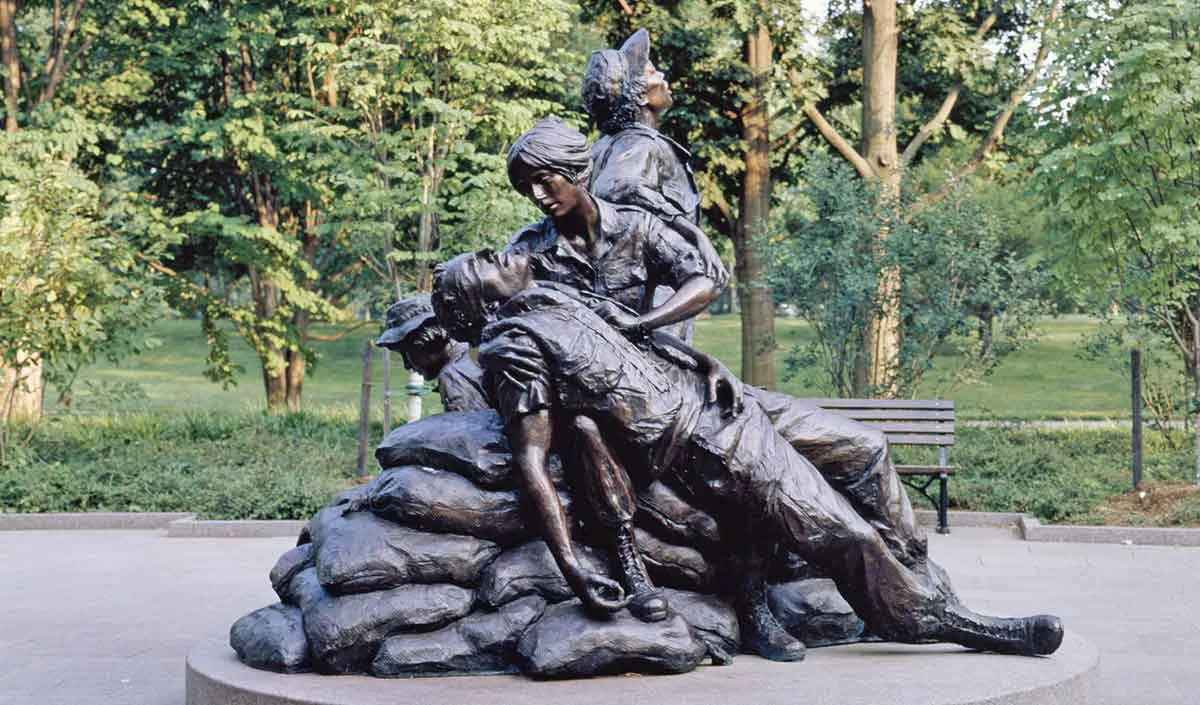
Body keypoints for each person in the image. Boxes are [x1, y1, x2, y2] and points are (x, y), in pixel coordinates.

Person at [431, 248, 1065, 658]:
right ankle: (953, 624)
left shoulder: (556, 294)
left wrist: (707, 360)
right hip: (708, 444)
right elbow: (533, 464)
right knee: (843, 535)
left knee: (866, 450)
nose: (500, 250)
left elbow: (641, 340)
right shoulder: (512, 350)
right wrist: (573, 568)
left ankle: (903, 585)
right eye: (482, 261)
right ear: (482, 301)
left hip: (729, 399)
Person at [375, 294, 488, 413]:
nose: (406, 365)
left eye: (406, 353)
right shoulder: (473, 357)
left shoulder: (453, 376)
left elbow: (472, 429)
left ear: (427, 342)